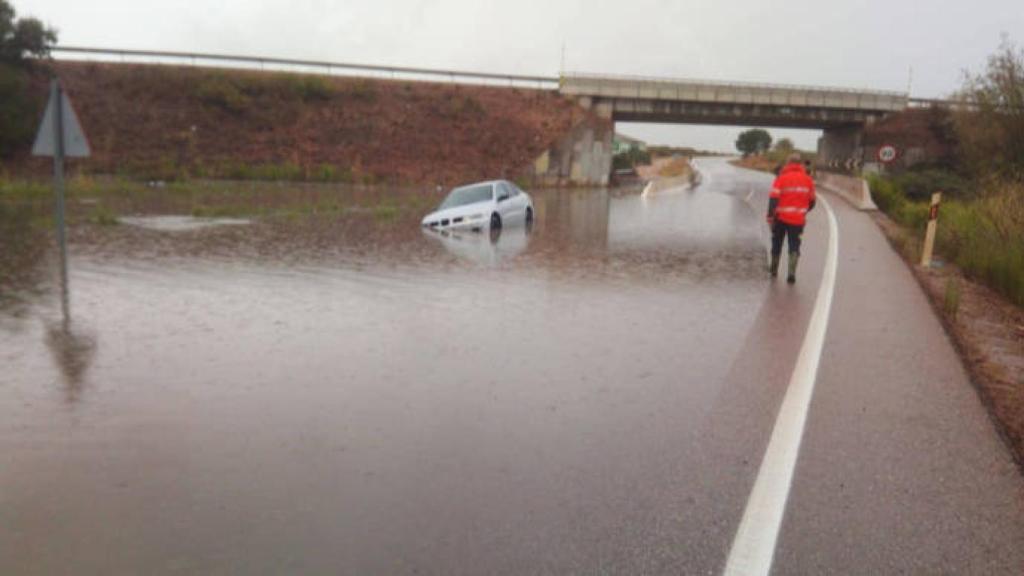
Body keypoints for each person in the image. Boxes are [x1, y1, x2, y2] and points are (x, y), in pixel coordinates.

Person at [767, 153, 816, 283]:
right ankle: (791, 273)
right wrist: (803, 211)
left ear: (788, 163)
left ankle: (773, 270)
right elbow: (812, 201)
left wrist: (770, 217)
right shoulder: (808, 180)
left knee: (777, 242)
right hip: (798, 220)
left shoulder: (781, 178)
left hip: (780, 218)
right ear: (800, 164)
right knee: (794, 244)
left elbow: (773, 199)